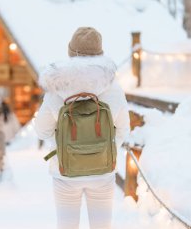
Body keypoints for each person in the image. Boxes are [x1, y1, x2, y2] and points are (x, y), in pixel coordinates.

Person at [34, 27, 130, 229]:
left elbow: (41, 131)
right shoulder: (114, 88)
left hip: (65, 172)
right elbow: (123, 130)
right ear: (100, 54)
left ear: (71, 54)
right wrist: (104, 150)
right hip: (103, 173)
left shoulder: (56, 87)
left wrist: (64, 144)